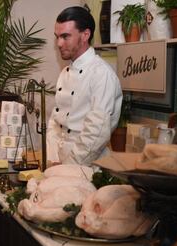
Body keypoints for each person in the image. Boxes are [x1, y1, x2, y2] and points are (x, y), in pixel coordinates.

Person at [47, 6, 123, 166]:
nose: (59, 43)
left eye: (65, 36)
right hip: (58, 162)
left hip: (87, 166)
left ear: (85, 35)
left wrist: (69, 167)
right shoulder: (65, 73)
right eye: (57, 37)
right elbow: (56, 122)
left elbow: (96, 132)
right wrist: (53, 157)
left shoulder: (101, 74)